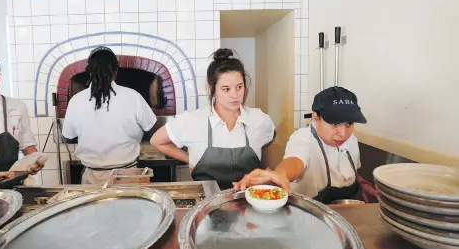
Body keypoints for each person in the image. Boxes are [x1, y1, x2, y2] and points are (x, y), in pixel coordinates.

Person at [150, 48, 276, 190]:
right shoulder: (192, 121)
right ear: (212, 89)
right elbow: (157, 141)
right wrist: (191, 159)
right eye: (226, 89)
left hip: (251, 202)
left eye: (239, 87)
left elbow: (269, 137)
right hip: (208, 205)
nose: (235, 95)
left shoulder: (259, 119)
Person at [234, 86, 378, 204]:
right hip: (311, 217)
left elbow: (351, 170)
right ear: (316, 117)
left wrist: (362, 184)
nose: (342, 133)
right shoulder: (303, 139)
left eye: (349, 123)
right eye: (334, 123)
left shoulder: (350, 138)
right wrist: (278, 175)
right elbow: (294, 162)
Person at [62, 46, 157, 184]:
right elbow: (152, 130)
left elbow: (69, 136)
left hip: (92, 177)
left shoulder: (76, 101)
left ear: (90, 72)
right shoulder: (133, 97)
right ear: (115, 71)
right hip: (128, 177)